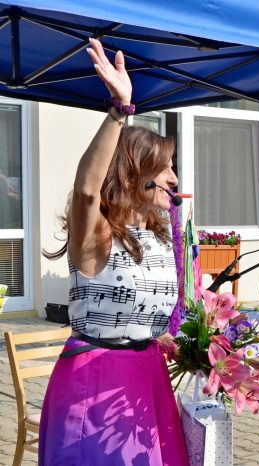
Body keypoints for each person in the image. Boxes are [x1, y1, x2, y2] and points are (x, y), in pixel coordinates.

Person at [39, 38, 188, 465]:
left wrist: (177, 343)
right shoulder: (98, 234)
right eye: (164, 168)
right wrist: (119, 112)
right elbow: (87, 190)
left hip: (148, 379)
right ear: (133, 174)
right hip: (98, 383)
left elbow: (137, 312)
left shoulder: (158, 235)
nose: (174, 179)